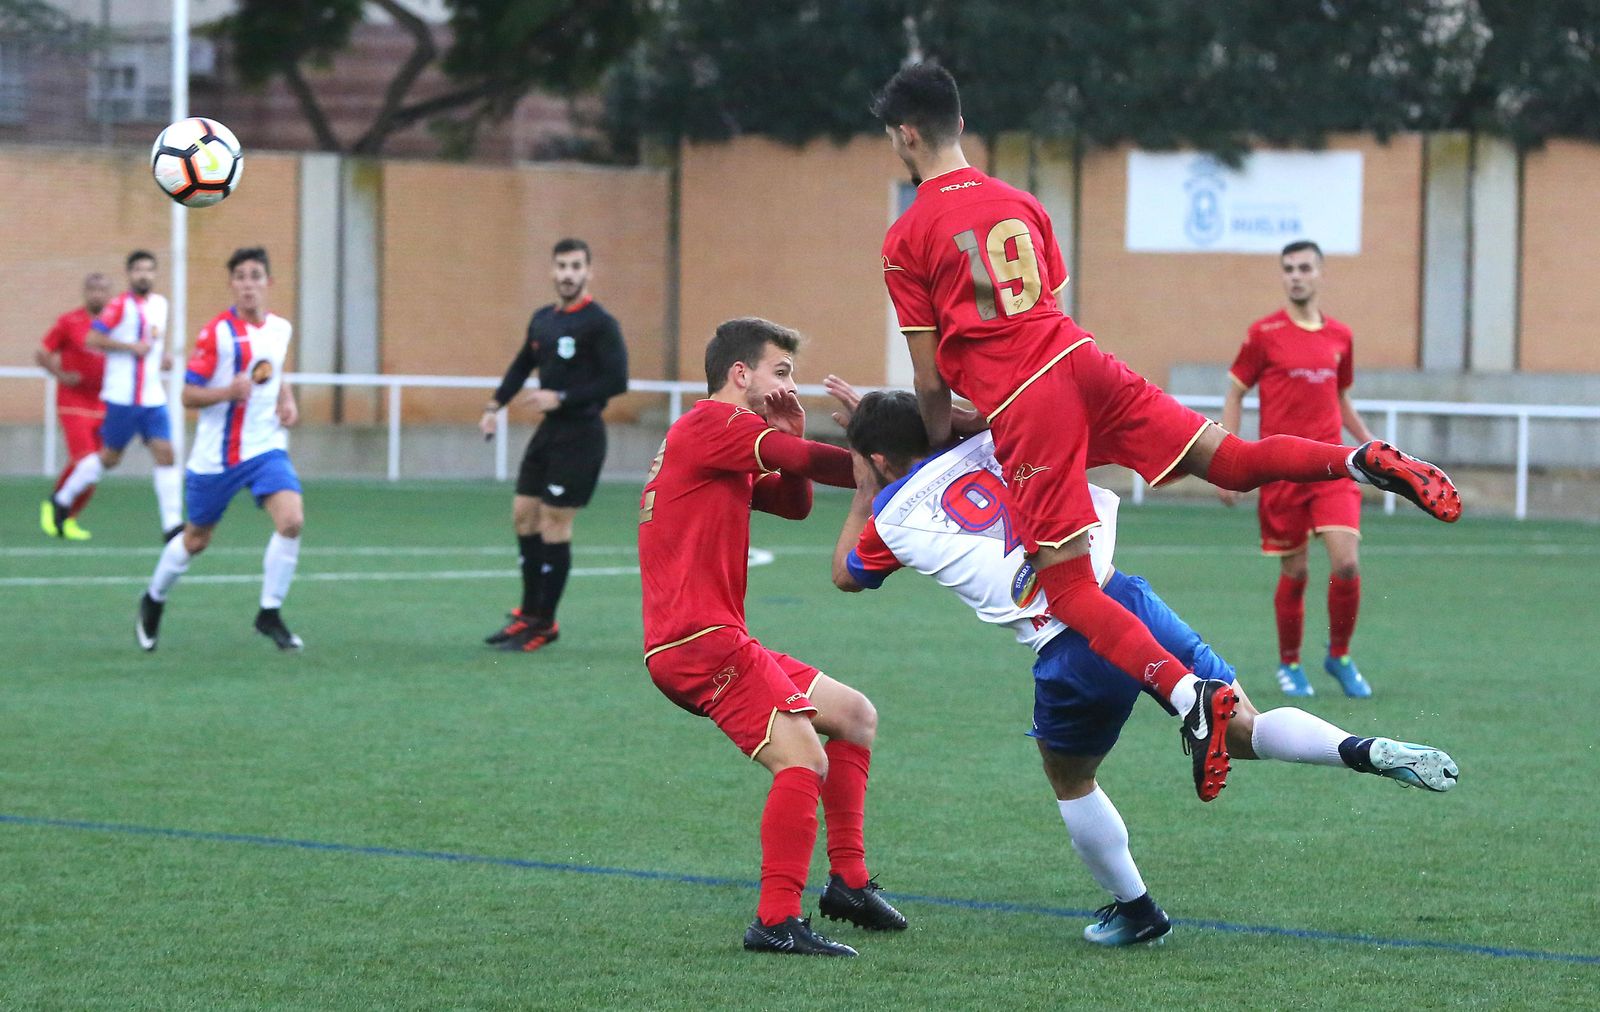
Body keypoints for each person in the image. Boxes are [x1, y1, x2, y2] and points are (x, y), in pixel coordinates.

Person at [871, 63, 1461, 801]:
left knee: (1069, 593)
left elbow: (930, 379)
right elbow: (1039, 314)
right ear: (961, 124)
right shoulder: (1022, 203)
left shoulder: (906, 235)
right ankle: (1358, 458)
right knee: (1236, 460)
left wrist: (938, 439)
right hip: (1085, 361)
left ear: (905, 133)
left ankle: (1190, 699)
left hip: (1031, 402)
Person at [831, 387, 1458, 946]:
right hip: (1125, 594)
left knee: (1070, 778)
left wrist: (866, 490)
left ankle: (1137, 911)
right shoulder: (1004, 432)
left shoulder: (889, 517)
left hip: (1073, 642)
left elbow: (846, 577)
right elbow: (961, 427)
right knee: (1245, 728)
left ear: (880, 461)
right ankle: (1361, 749)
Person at [638, 318, 904, 957]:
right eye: (780, 372)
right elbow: (812, 462)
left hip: (712, 638)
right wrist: (892, 459)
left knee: (852, 715)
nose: (788, 385)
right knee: (803, 758)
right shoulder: (710, 423)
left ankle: (848, 883)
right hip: (699, 641)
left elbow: (793, 502)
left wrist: (787, 432)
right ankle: (776, 919)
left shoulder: (723, 440)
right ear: (740, 374)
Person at [1221, 241, 1378, 698]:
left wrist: (1372, 448)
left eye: (1304, 267)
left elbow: (1340, 398)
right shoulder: (1263, 334)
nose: (1296, 275)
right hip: (1282, 471)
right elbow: (1234, 394)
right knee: (1294, 571)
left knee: (1346, 564)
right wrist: (1227, 457)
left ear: (1320, 273)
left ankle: (1339, 655)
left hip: (1332, 466)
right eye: (1288, 268)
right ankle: (1290, 664)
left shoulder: (1341, 337)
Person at [137, 247, 305, 653]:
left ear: (269, 283)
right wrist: (228, 391)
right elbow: (188, 394)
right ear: (232, 284)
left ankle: (269, 613)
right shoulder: (216, 334)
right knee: (195, 539)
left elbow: (274, 371)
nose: (249, 284)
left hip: (265, 447)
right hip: (217, 457)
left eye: (256, 276)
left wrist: (286, 398)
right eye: (241, 277)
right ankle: (153, 598)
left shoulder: (280, 329)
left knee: (291, 522)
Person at [480, 238, 629, 654]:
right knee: (523, 517)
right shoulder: (543, 319)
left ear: (588, 271)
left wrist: (561, 397)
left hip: (581, 435)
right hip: (548, 434)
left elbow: (617, 380)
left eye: (576, 266)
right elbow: (521, 364)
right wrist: (495, 406)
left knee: (554, 524)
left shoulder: (600, 323)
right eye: (561, 266)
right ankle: (528, 613)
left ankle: (545, 622)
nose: (567, 274)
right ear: (552, 271)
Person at [50, 250, 184, 541]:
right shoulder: (119, 305)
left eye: (149, 269)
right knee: (110, 458)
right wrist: (129, 348)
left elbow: (153, 342)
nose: (144, 275)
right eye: (138, 270)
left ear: (155, 273)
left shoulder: (161, 304)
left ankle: (172, 525)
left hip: (152, 398)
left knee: (166, 454)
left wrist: (163, 358)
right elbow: (92, 338)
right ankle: (64, 497)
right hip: (123, 397)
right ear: (129, 274)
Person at [36, 272, 112, 541]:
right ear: (85, 292)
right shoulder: (69, 322)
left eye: (102, 289)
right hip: (74, 402)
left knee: (95, 467)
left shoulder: (115, 325)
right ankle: (55, 502)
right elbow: (43, 352)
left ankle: (68, 518)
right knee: (86, 460)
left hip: (105, 403)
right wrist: (62, 375)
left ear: (109, 293)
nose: (97, 294)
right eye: (92, 288)